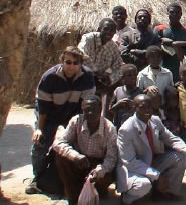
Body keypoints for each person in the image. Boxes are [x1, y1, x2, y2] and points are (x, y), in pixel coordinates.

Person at [26, 46, 96, 195]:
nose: (71, 66)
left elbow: (85, 105)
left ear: (81, 63)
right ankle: (36, 178)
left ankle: (69, 180)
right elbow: (43, 107)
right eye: (68, 62)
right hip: (49, 115)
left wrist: (75, 128)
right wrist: (40, 128)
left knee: (74, 145)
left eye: (75, 63)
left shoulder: (87, 76)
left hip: (72, 116)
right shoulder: (49, 77)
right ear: (62, 61)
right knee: (40, 144)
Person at [116, 94, 186, 204]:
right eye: (143, 107)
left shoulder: (155, 120)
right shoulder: (126, 130)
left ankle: (165, 191)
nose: (147, 110)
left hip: (151, 163)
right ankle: (127, 198)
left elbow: (171, 139)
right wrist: (157, 176)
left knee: (182, 156)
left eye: (149, 106)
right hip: (133, 169)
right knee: (144, 185)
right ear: (134, 108)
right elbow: (129, 162)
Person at [53, 95, 117, 204]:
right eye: (87, 110)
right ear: (82, 110)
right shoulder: (77, 121)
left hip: (98, 164)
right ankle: (72, 195)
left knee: (106, 176)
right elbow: (58, 143)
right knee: (61, 157)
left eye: (94, 110)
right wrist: (75, 156)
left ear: (100, 110)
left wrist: (99, 171)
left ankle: (99, 190)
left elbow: (111, 158)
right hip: (80, 161)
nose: (90, 113)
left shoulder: (109, 128)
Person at [78, 17, 123, 114]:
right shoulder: (88, 38)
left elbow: (119, 65)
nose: (109, 32)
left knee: (93, 112)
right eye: (106, 29)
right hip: (82, 79)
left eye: (112, 30)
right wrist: (95, 72)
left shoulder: (113, 47)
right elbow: (81, 54)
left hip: (99, 84)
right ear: (99, 29)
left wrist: (110, 78)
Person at [153, 3, 186, 82]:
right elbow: (155, 49)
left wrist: (171, 43)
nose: (174, 14)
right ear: (167, 13)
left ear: (181, 14)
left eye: (177, 12)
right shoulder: (159, 29)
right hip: (162, 68)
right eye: (171, 12)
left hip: (182, 71)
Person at [110, 64, 143, 129]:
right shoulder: (118, 91)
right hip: (120, 126)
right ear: (122, 77)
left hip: (135, 128)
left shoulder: (140, 92)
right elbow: (111, 109)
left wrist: (133, 106)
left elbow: (143, 111)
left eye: (135, 75)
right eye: (129, 75)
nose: (133, 77)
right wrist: (118, 104)